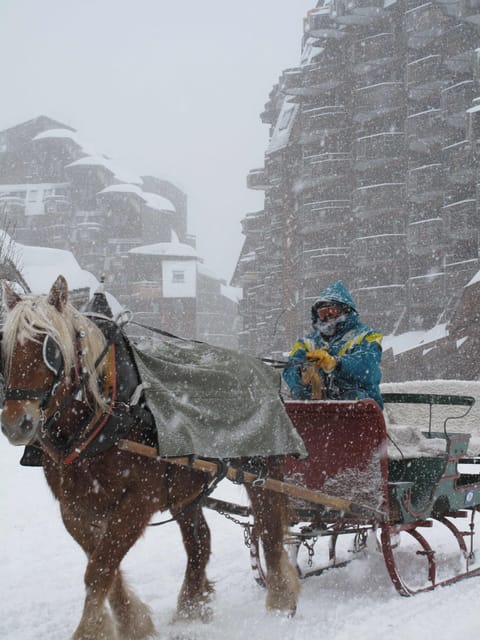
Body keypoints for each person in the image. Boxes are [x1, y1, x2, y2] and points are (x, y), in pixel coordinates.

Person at [282, 280, 383, 408]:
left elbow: (369, 368)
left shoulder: (367, 335)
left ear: (345, 310)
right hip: (314, 411)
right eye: (322, 313)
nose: (327, 317)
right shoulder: (307, 342)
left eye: (332, 311)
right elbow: (288, 370)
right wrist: (301, 372)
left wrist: (337, 363)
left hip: (359, 410)